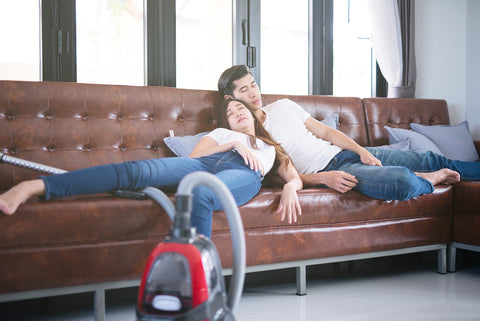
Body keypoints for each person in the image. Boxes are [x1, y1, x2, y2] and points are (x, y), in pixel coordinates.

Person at [0, 99, 303, 237]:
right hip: (205, 162)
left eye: (241, 109)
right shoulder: (223, 135)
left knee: (202, 194)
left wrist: (290, 187)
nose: (236, 112)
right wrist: (232, 143)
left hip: (243, 173)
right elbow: (198, 156)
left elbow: (295, 178)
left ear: (254, 116)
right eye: (230, 112)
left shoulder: (271, 148)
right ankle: (37, 186)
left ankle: (195, 283)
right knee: (135, 172)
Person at [217, 65, 480, 201]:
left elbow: (328, 134)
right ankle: (431, 180)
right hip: (334, 171)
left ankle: (432, 171)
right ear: (230, 98)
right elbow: (274, 179)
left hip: (344, 153)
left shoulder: (284, 106)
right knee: (403, 181)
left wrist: (361, 150)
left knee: (429, 158)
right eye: (244, 90)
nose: (254, 93)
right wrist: (322, 178)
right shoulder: (243, 137)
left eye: (254, 84)